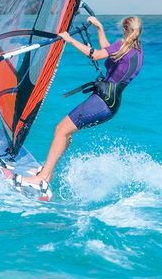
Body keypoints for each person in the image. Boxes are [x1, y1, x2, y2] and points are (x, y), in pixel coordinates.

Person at [17, 15, 143, 199]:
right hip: (111, 104)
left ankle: (42, 178)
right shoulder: (136, 50)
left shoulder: (122, 45)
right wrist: (100, 28)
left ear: (125, 30)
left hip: (101, 101)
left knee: (61, 130)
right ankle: (48, 174)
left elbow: (96, 54)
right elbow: (108, 51)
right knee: (66, 132)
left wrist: (69, 39)